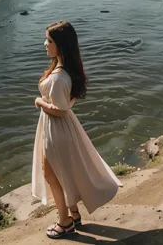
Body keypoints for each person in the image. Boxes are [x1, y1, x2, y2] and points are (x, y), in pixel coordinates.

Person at [32, 21, 122, 239]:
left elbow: (60, 110)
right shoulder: (66, 70)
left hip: (57, 129)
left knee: (51, 175)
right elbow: (67, 103)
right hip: (60, 128)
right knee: (61, 173)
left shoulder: (58, 77)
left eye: (49, 41)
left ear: (61, 45)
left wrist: (39, 102)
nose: (45, 44)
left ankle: (65, 222)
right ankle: (74, 213)